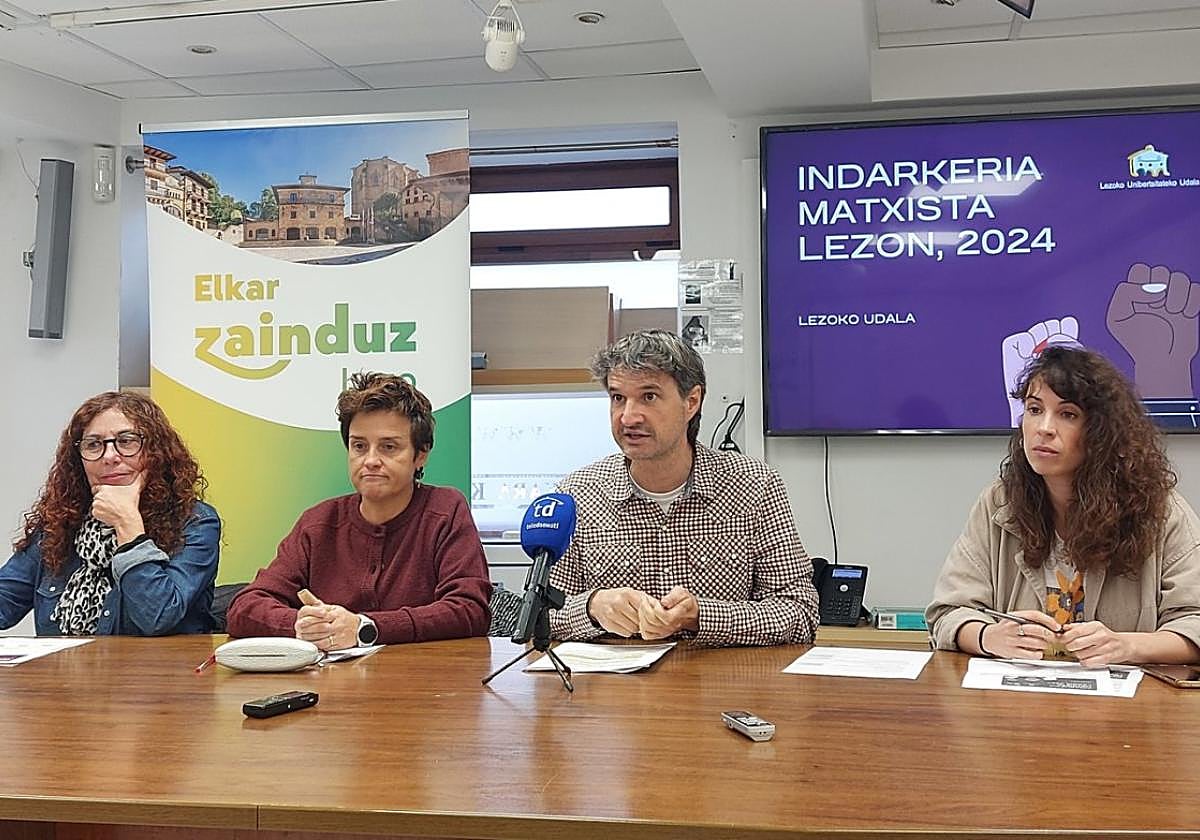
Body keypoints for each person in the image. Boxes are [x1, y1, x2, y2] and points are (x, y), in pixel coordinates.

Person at [927, 346, 1200, 667]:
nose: (1044, 428)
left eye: (1067, 414)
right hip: (1015, 706)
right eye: (1034, 409)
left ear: (1102, 432)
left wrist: (1127, 646)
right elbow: (947, 613)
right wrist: (989, 637)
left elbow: (1194, 622)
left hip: (1124, 710)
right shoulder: (999, 504)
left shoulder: (1159, 510)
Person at [549, 330, 819, 646]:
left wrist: (701, 616)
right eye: (618, 398)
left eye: (648, 396)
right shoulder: (576, 495)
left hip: (721, 689)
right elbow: (541, 616)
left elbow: (800, 612)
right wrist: (592, 607)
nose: (628, 417)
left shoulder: (754, 487)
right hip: (614, 690)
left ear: (691, 402)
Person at [226, 372, 490, 648]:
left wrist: (366, 627)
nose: (371, 460)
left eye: (389, 447)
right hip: (330, 686)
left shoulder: (445, 511)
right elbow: (244, 608)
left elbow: (470, 610)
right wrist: (301, 626)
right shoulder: (318, 523)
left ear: (420, 454)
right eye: (359, 446)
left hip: (422, 683)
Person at [0, 392, 220, 635]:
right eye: (93, 445)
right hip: (63, 672)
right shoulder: (60, 522)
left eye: (126, 441)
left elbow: (159, 616)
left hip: (154, 672)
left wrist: (127, 524)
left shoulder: (194, 521)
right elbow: (5, 599)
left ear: (156, 452)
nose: (109, 456)